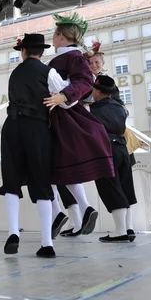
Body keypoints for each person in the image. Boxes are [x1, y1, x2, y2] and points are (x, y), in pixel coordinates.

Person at [43, 13, 114, 239]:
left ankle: (59, 214)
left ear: (61, 37)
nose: (52, 40)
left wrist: (63, 96)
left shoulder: (72, 57)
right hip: (58, 115)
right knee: (59, 168)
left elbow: (85, 81)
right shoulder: (66, 57)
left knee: (49, 167)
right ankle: (82, 208)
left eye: (54, 36)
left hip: (63, 117)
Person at [0, 33, 70, 258]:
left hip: (11, 126)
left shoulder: (15, 73)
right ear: (42, 52)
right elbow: (66, 99)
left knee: (11, 180)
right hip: (36, 127)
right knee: (41, 181)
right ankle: (47, 243)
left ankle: (13, 233)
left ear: (24, 51)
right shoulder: (47, 71)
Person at [90, 76, 137, 242]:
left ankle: (120, 231)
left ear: (98, 91)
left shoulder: (93, 109)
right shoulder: (120, 107)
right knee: (124, 188)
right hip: (122, 149)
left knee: (110, 188)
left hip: (106, 150)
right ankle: (127, 229)